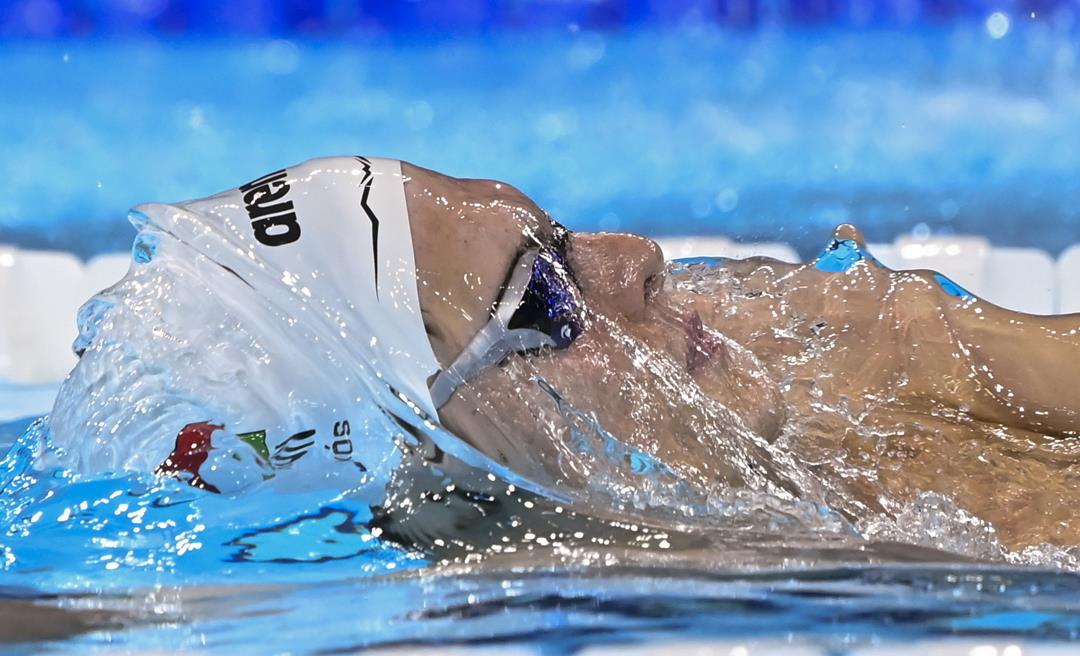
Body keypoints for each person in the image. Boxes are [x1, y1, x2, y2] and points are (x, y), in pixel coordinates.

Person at [53, 156, 1080, 551]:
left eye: (567, 232)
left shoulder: (802, 341)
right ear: (433, 450)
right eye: (545, 296)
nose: (640, 260)